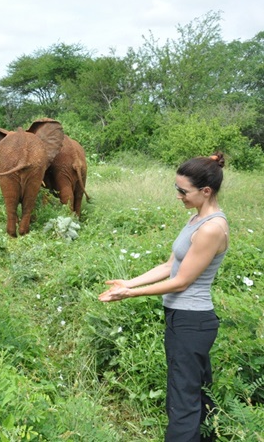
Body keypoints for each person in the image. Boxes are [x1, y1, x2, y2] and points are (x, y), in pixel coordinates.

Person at [99, 153, 229, 442]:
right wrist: (128, 281)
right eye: (177, 189)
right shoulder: (197, 220)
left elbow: (181, 281)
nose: (178, 196)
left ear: (205, 191)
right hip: (183, 320)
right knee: (197, 391)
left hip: (191, 322)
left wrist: (130, 294)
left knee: (183, 400)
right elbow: (170, 265)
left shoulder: (211, 228)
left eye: (183, 191)